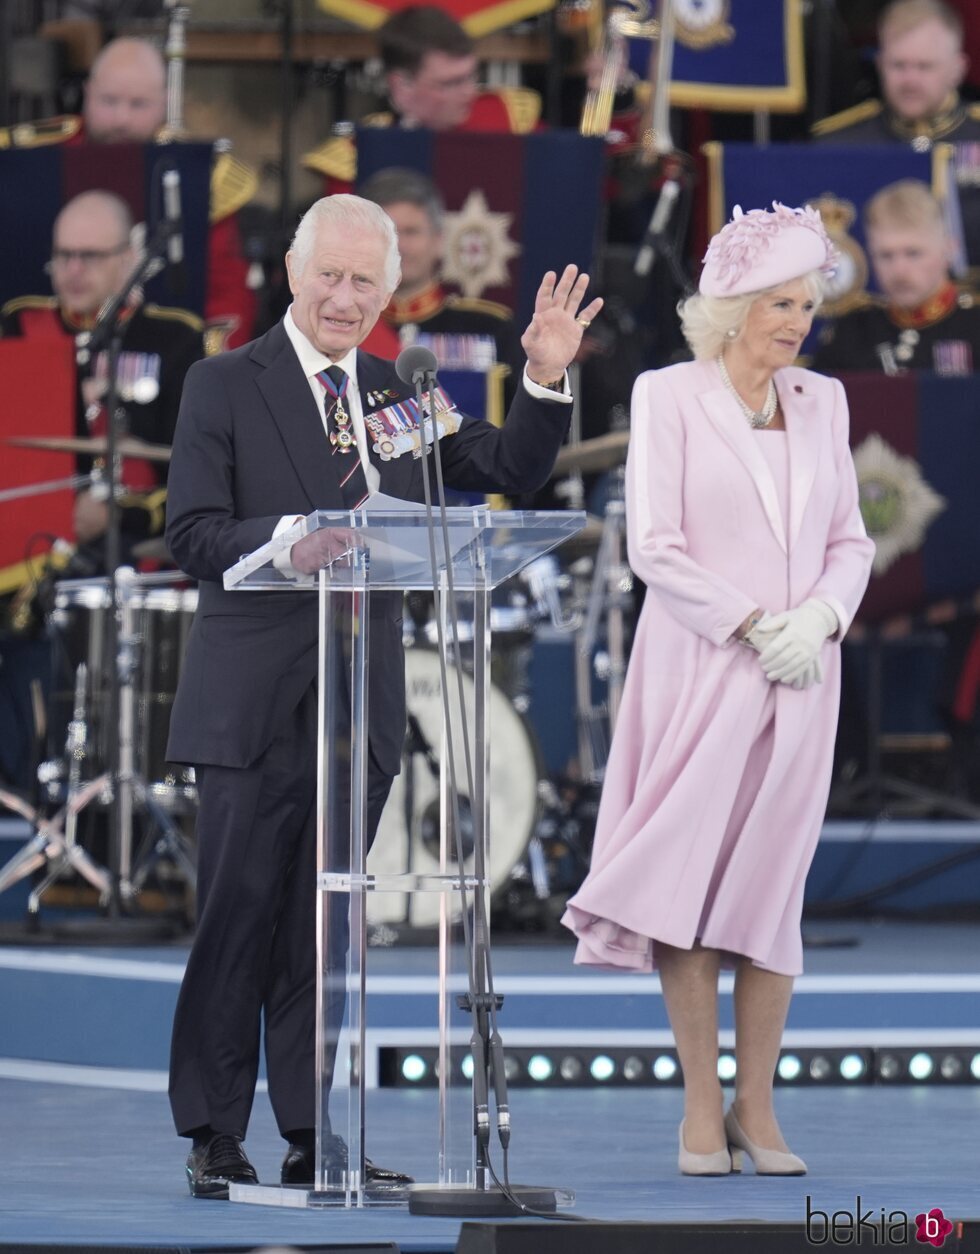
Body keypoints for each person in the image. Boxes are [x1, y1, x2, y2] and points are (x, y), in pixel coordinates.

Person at [164, 193, 601, 1198]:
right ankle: (212, 1132)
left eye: (366, 281)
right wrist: (287, 541)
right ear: (293, 273)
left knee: (324, 929)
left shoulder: (398, 394)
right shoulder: (223, 383)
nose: (345, 297)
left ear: (389, 292)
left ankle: (316, 1131)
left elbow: (504, 470)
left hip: (357, 701)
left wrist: (543, 371)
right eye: (330, 274)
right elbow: (189, 533)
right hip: (250, 700)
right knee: (237, 912)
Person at [562, 203, 875, 1177]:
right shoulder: (668, 394)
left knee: (769, 890)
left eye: (805, 303)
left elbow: (847, 541)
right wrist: (752, 625)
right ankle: (700, 1105)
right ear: (730, 305)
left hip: (797, 676)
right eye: (777, 302)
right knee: (687, 882)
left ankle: (758, 1106)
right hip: (701, 666)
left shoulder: (821, 400)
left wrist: (816, 621)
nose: (795, 320)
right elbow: (655, 544)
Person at [0, 36, 257, 350]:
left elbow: (227, 291)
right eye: (109, 101)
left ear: (164, 103)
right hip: (35, 352)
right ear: (87, 94)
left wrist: (209, 371)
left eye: (138, 104)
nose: (121, 119)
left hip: (160, 368)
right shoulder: (32, 161)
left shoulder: (197, 175)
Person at [0, 189, 204, 567]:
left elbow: (194, 473)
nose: (73, 270)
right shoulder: (19, 326)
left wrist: (119, 514)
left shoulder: (174, 339)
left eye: (90, 256)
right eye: (64, 255)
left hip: (133, 553)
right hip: (25, 550)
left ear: (129, 259)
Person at [302, 6, 540, 192]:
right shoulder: (360, 157)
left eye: (471, 76)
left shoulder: (507, 118)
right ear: (402, 86)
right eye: (451, 83)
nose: (468, 92)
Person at [357, 166, 523, 384]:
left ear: (438, 241)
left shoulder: (489, 328)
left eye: (411, 232)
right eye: (388, 234)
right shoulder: (346, 323)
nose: (400, 246)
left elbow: (522, 414)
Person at [813, 179, 980, 375]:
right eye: (886, 255)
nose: (899, 270)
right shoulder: (852, 332)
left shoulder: (974, 327)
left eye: (913, 253)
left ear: (949, 250)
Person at [812, 0, 980, 147]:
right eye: (898, 65)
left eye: (924, 66)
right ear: (879, 65)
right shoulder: (841, 143)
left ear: (958, 69)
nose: (910, 80)